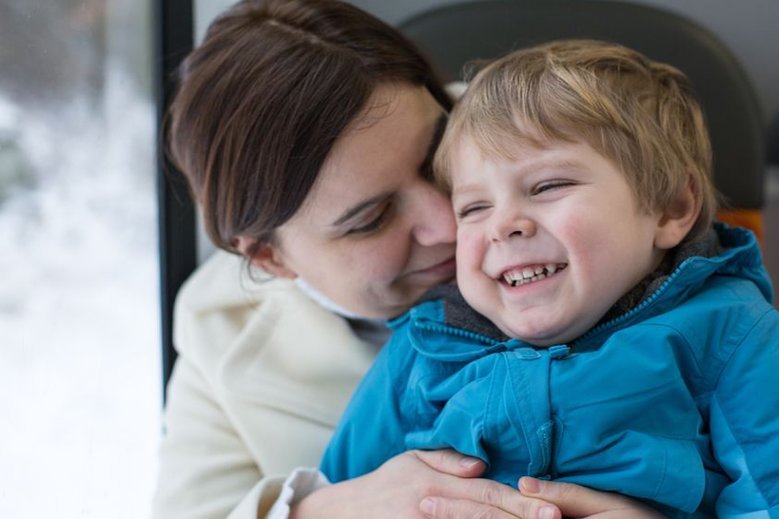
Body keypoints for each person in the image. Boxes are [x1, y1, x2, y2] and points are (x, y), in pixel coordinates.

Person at [151, 1, 664, 516]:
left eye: (435, 160)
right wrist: (330, 510)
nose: (448, 224)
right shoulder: (218, 328)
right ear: (270, 257)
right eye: (373, 219)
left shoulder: (566, 136)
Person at [320, 40, 779, 517]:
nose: (503, 225)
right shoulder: (423, 347)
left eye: (547, 186)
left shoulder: (733, 334)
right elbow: (346, 497)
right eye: (474, 208)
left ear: (672, 208)